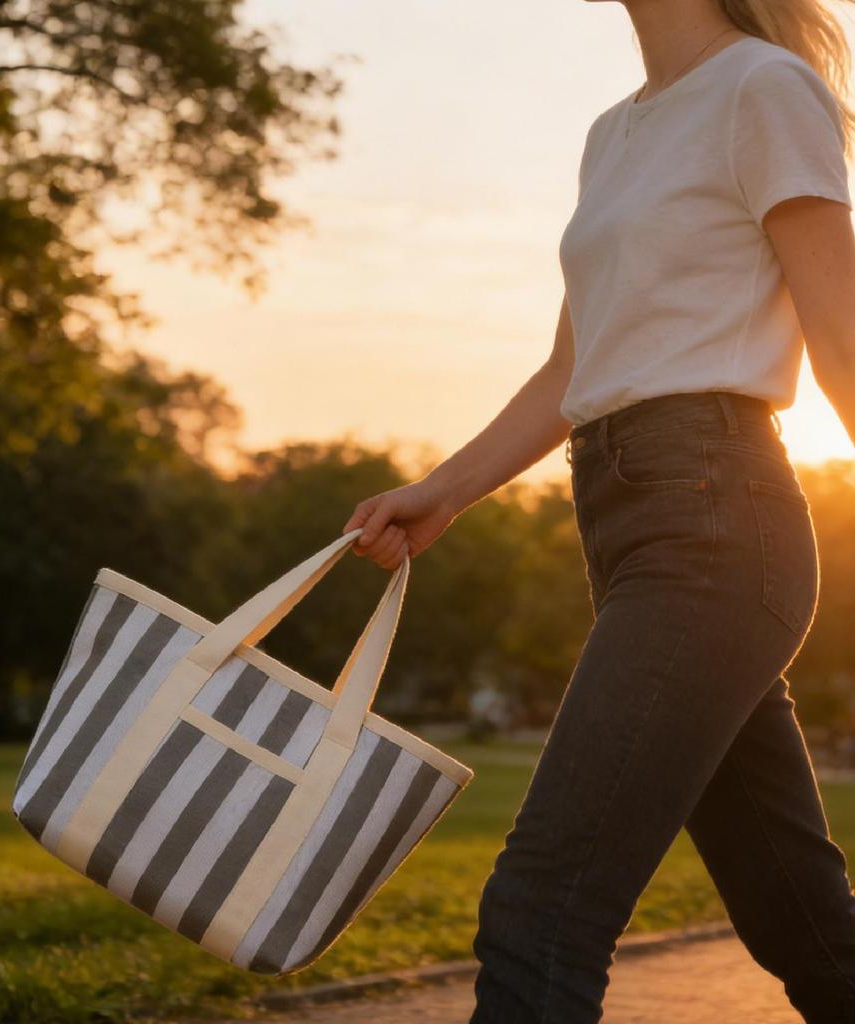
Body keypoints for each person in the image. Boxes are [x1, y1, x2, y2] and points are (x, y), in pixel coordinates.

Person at [340, 1, 855, 1021]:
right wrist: (439, 490)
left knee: (541, 903)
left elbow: (841, 337)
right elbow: (571, 368)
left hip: (716, 519)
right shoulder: (612, 132)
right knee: (801, 917)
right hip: (626, 520)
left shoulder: (764, 87)